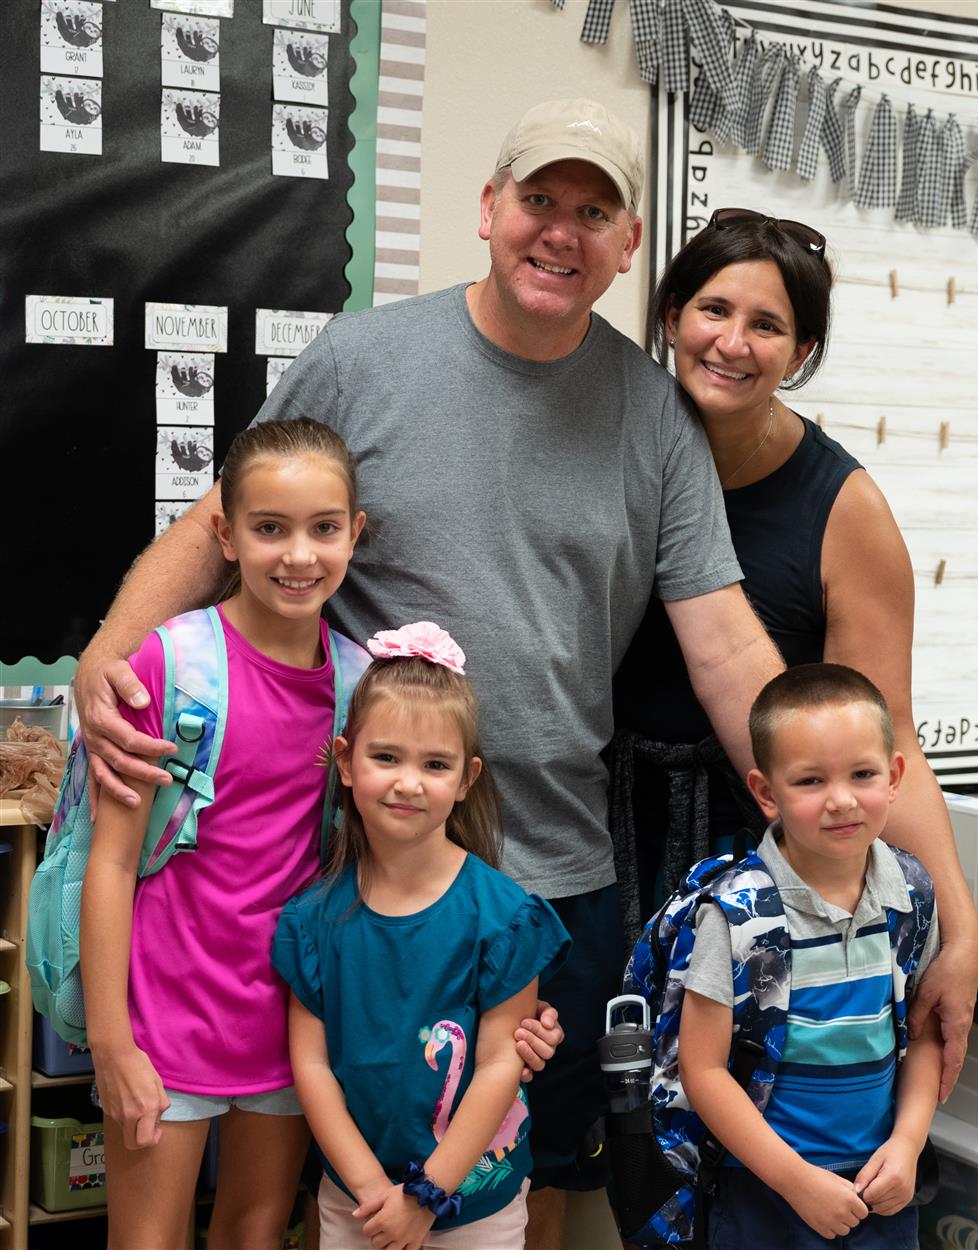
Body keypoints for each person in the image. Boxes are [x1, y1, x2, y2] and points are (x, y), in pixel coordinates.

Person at [71, 101, 781, 1247]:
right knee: (331, 1175)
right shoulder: (365, 356)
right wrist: (108, 657)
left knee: (524, 1177)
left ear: (629, 241)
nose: (561, 232)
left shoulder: (654, 416)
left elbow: (727, 643)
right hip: (364, 871)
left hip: (544, 874)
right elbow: (222, 523)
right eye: (538, 201)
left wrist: (820, 804)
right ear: (488, 209)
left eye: (592, 211)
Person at [612, 207, 978, 1102]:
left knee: (764, 1119)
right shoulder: (610, 448)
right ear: (668, 315)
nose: (732, 343)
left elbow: (886, 730)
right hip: (603, 835)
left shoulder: (844, 509)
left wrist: (960, 932)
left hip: (770, 854)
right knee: (598, 1127)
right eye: (712, 309)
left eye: (767, 325)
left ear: (802, 352)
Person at [80, 417, 369, 1249]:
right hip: (161, 1026)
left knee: (255, 1232)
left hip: (290, 1031)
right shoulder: (171, 664)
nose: (298, 555)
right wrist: (112, 1043)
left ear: (355, 534)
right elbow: (112, 863)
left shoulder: (359, 684)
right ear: (225, 534)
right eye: (269, 528)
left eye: (323, 529)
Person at [273, 623, 572, 1249]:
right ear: (346, 760)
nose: (409, 782)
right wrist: (371, 1190)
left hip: (475, 1203)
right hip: (357, 1201)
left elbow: (497, 1064)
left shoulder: (504, 917)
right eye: (386, 757)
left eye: (435, 765)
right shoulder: (313, 922)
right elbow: (313, 1064)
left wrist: (426, 1195)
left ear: (466, 779)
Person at [678, 664, 942, 1248]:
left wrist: (907, 1146)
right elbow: (703, 1070)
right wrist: (796, 1182)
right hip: (766, 1192)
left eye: (862, 773)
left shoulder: (911, 894)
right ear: (766, 793)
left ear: (895, 775)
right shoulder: (738, 916)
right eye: (811, 781)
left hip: (882, 1186)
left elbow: (924, 1035)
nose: (841, 800)